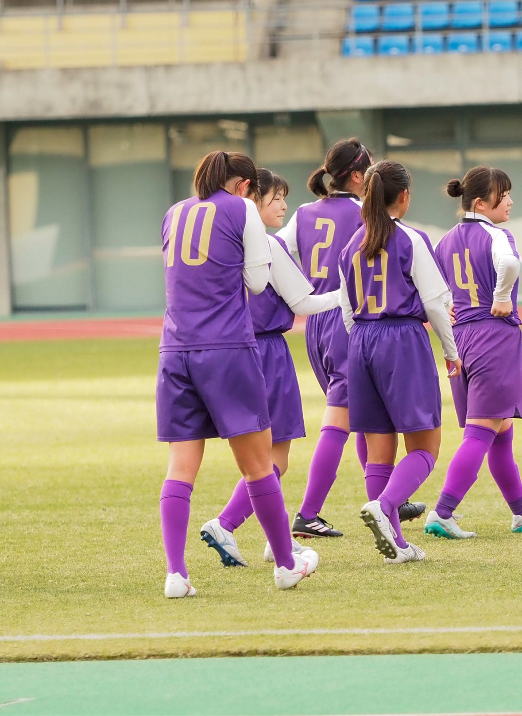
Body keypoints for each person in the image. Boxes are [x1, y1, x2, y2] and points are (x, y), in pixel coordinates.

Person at [157, 151, 318, 598]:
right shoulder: (242, 208)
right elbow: (258, 283)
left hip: (175, 349)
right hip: (227, 348)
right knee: (259, 465)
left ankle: (176, 574)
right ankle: (286, 564)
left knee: (180, 469)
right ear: (245, 186)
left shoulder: (174, 212)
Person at [279, 139, 424, 537]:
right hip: (348, 318)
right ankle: (309, 512)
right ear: (358, 176)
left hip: (315, 324)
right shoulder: (365, 212)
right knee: (341, 418)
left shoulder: (304, 212)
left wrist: (300, 292)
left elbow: (278, 251)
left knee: (362, 415)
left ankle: (384, 498)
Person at [200, 169, 341, 568]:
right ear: (251, 201)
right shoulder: (268, 245)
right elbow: (304, 303)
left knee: (256, 456)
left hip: (229, 353)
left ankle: (273, 538)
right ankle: (226, 524)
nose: (283, 205)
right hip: (267, 354)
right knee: (274, 458)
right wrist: (349, 295)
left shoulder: (220, 244)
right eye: (275, 197)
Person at [339, 160, 459, 565]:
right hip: (402, 340)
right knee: (426, 447)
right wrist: (451, 352)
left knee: (379, 450)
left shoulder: (351, 245)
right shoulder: (411, 238)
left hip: (361, 342)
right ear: (404, 196)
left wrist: (364, 345)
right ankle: (385, 505)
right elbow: (436, 305)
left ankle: (397, 544)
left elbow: (346, 309)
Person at [427, 166, 522, 540]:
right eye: (504, 194)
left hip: (462, 338)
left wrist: (448, 312)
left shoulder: (445, 241)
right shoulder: (497, 235)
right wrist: (501, 297)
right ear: (481, 203)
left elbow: (435, 292)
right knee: (481, 433)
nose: (510, 201)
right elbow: (510, 264)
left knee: (500, 433)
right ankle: (443, 512)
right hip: (493, 337)